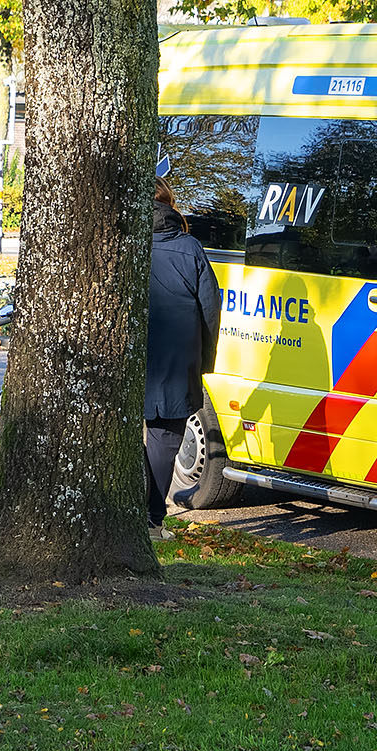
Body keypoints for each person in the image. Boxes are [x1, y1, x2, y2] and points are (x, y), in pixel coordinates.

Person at [144, 179, 221, 540]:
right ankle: (151, 520)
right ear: (170, 206)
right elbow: (210, 310)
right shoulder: (190, 248)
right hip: (177, 356)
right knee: (165, 438)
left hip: (132, 351)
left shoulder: (126, 244)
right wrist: (204, 361)